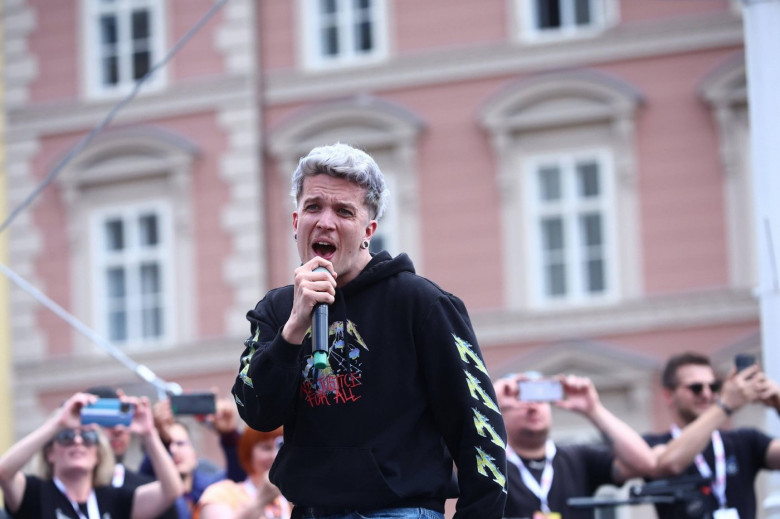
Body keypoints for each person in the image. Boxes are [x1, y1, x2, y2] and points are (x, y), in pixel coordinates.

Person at [231, 143, 507, 519]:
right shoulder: (277, 310)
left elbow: (479, 429)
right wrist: (293, 329)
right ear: (296, 221)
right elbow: (256, 413)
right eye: (314, 207)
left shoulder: (422, 304)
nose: (325, 221)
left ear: (368, 230)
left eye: (343, 211)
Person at [494, 373, 656, 519]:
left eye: (539, 398)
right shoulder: (492, 465)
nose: (532, 406)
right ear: (501, 410)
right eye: (521, 399)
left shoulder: (578, 458)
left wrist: (593, 409)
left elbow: (645, 464)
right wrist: (489, 400)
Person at [0, 392, 182, 519]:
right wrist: (58, 423)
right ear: (50, 454)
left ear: (98, 454)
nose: (78, 441)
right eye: (66, 437)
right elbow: (4, 471)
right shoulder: (36, 493)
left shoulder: (113, 499)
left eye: (87, 437)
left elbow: (171, 490)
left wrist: (148, 433)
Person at [643, 352, 780, 519]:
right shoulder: (654, 444)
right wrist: (725, 405)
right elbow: (669, 463)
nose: (706, 394)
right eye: (696, 388)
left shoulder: (744, 440)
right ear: (668, 395)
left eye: (714, 387)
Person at [85, 386, 178, 519]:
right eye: (107, 420)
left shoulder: (144, 489)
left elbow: (172, 491)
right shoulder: (65, 488)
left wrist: (149, 432)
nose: (118, 429)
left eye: (124, 418)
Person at [198, 427, 291, 519]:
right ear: (248, 452)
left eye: (281, 448)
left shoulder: (291, 498)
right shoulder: (222, 493)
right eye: (266, 448)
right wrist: (261, 500)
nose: (274, 456)